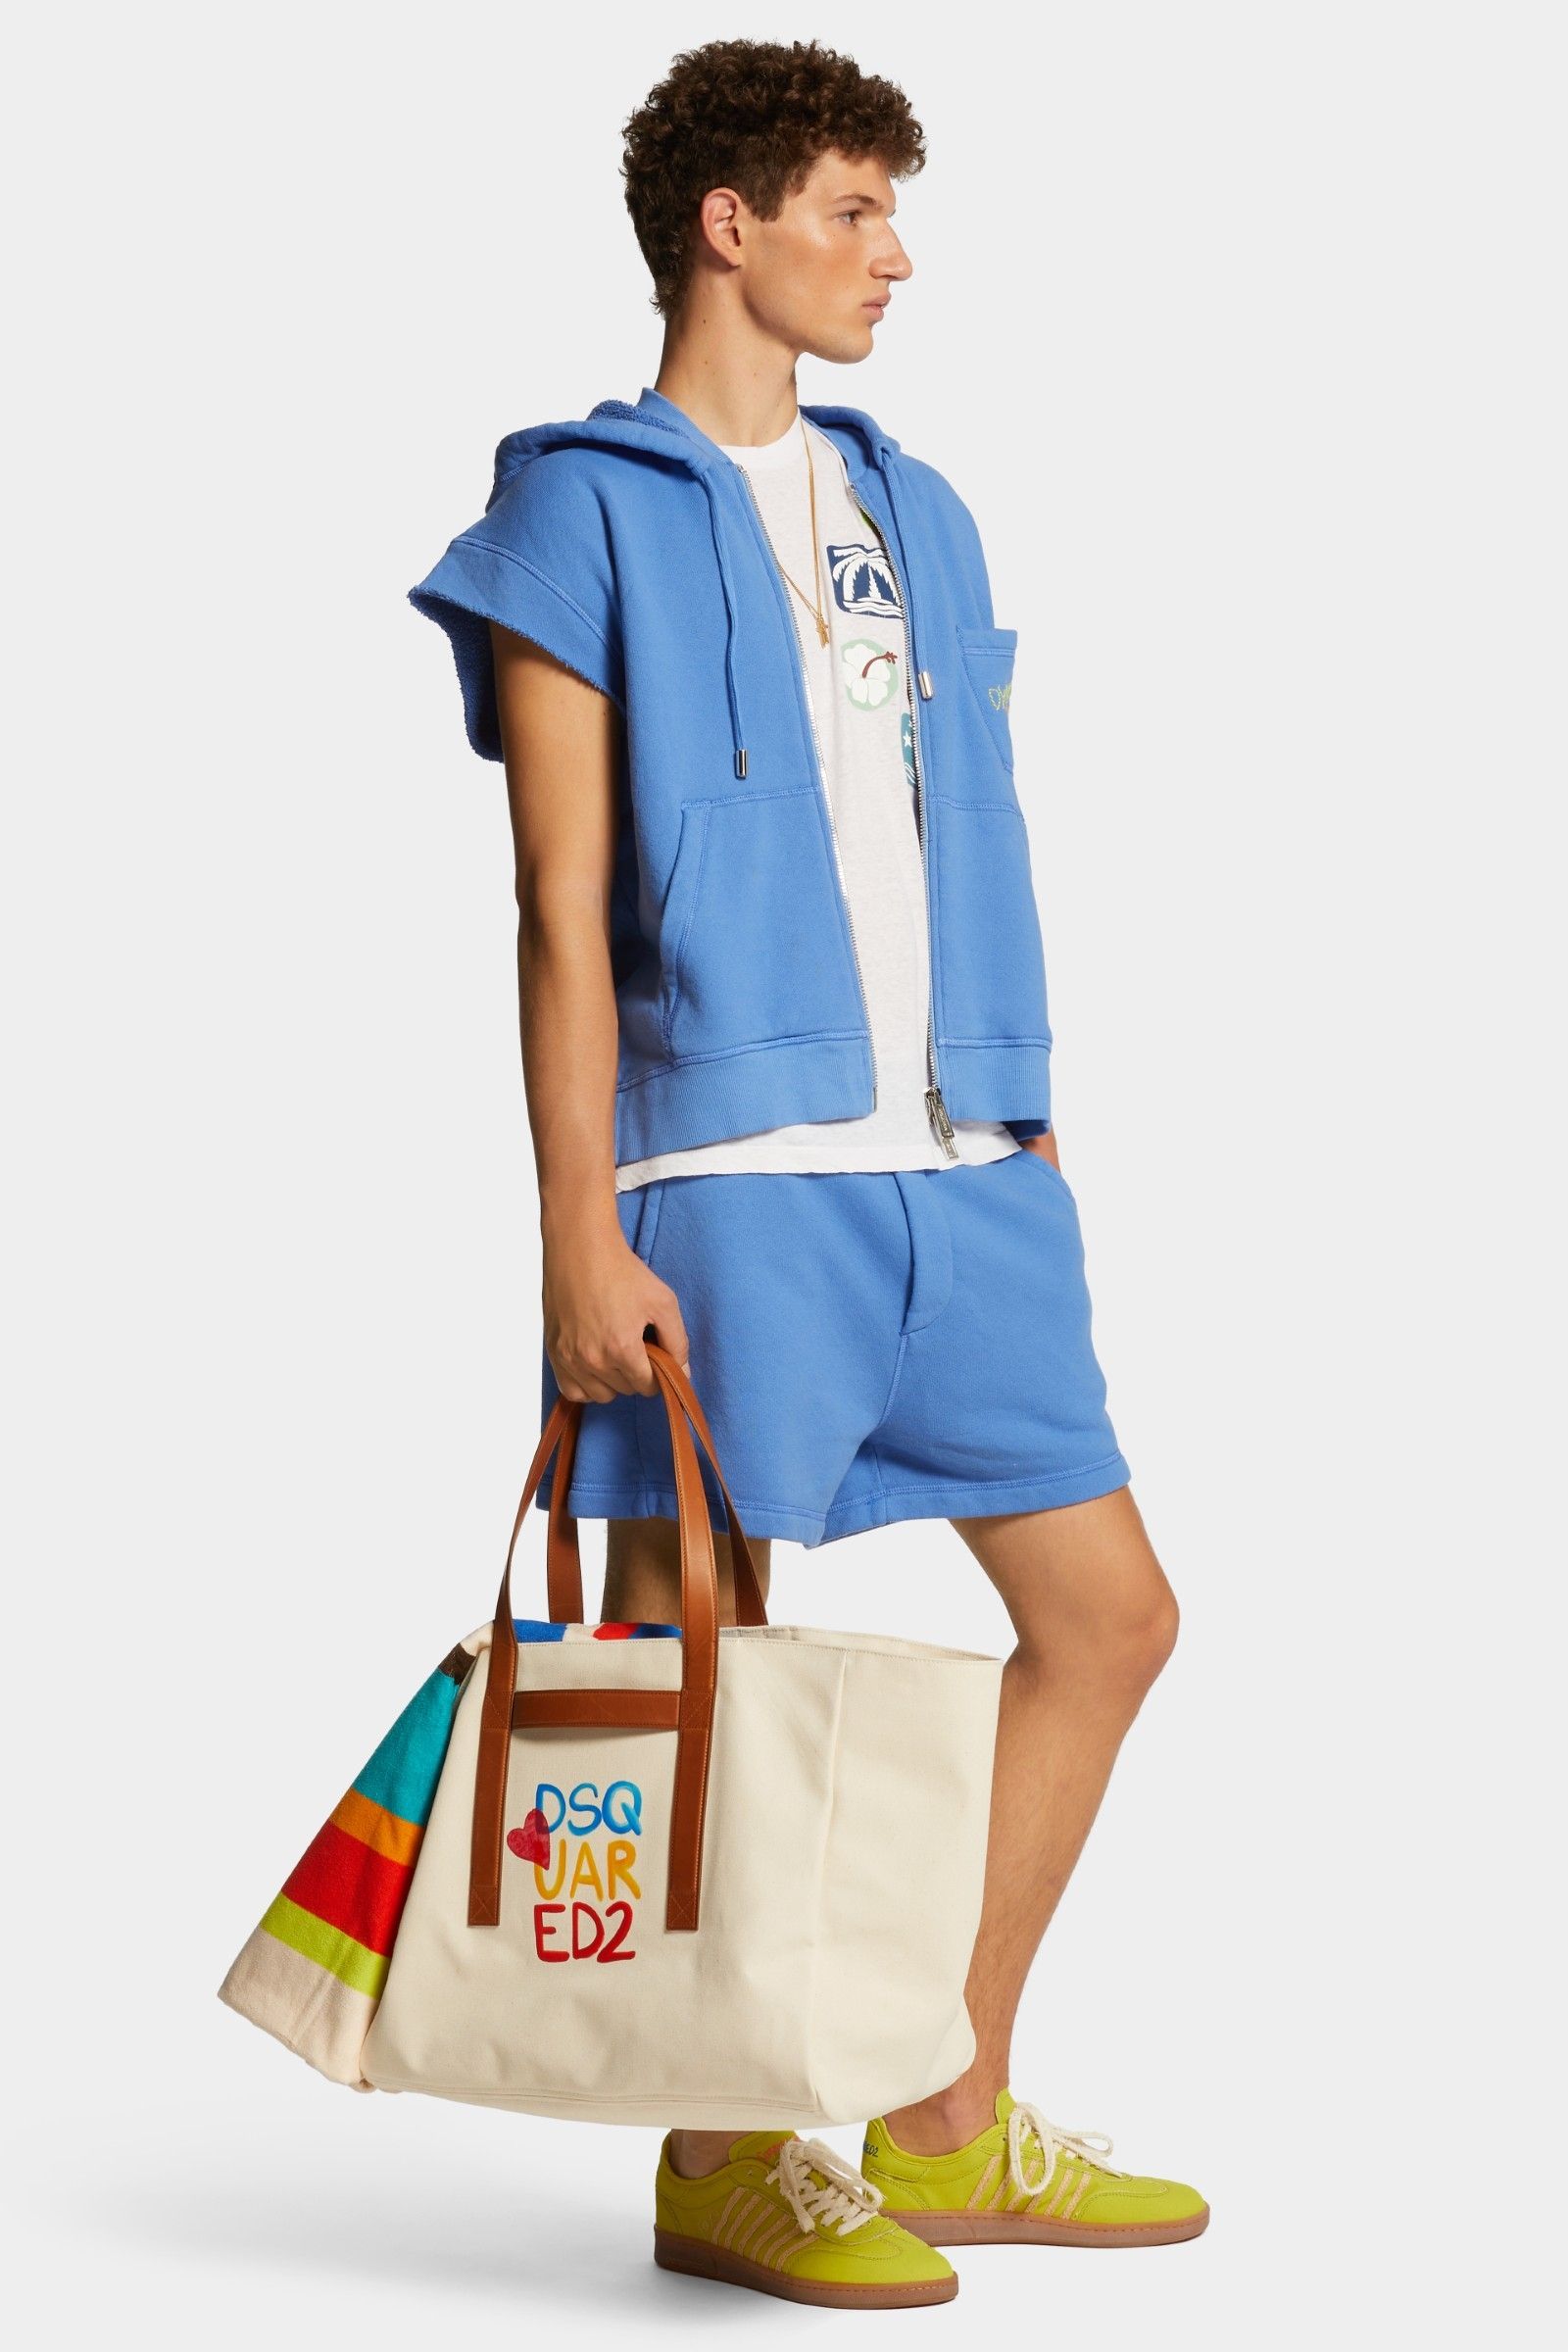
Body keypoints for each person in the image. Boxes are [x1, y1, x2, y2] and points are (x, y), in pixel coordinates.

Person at [409, 34, 1206, 2312]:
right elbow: (560, 904)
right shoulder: (575, 510)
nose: (893, 255)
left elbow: (960, 818)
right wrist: (576, 1231)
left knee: (1109, 1619)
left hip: (965, 1164)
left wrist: (1017, 1089)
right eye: (852, 210)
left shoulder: (911, 506)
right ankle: (724, 2152)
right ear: (725, 224)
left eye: (891, 211)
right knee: (701, 1664)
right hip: (727, 1179)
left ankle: (940, 2121)